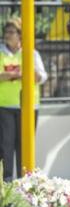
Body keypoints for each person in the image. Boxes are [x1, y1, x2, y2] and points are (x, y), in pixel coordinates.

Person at [0, 17, 48, 182]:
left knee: (24, 146)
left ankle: (24, 183)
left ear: (20, 35)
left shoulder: (31, 53)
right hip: (5, 105)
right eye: (6, 32)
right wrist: (15, 74)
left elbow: (42, 77)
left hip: (28, 106)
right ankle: (5, 183)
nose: (7, 35)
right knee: (5, 146)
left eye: (11, 32)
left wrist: (31, 74)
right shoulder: (0, 52)